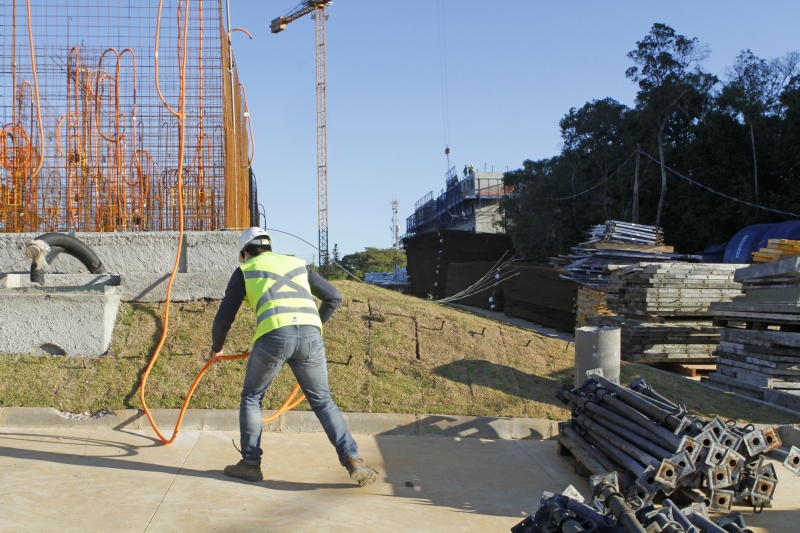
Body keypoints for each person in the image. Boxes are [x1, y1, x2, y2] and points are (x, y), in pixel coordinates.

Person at [208, 227, 378, 486]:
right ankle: (353, 459)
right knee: (323, 401)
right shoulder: (298, 264)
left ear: (245, 253)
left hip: (274, 335)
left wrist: (217, 347)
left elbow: (224, 316)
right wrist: (314, 326)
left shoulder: (246, 270)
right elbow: (333, 296)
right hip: (311, 337)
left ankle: (250, 465)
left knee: (252, 397)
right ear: (269, 248)